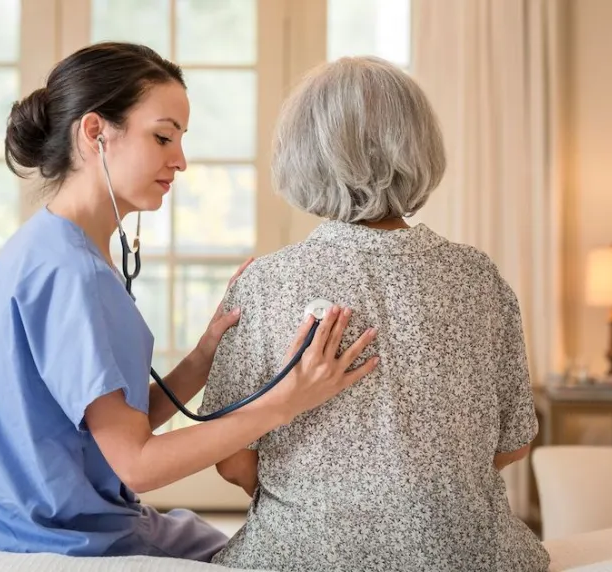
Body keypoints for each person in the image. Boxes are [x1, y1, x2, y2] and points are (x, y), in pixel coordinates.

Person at [0, 42, 380, 562]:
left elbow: (107, 424)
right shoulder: (73, 274)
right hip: (54, 535)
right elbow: (137, 463)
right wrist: (284, 403)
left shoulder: (48, 246)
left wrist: (204, 354)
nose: (180, 160)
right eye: (163, 136)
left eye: (181, 140)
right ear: (95, 133)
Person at [198, 56, 551, 572]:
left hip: (301, 557)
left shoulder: (265, 284)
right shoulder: (480, 278)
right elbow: (513, 445)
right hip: (472, 558)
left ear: (301, 155)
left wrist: (326, 506)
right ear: (421, 148)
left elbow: (231, 460)